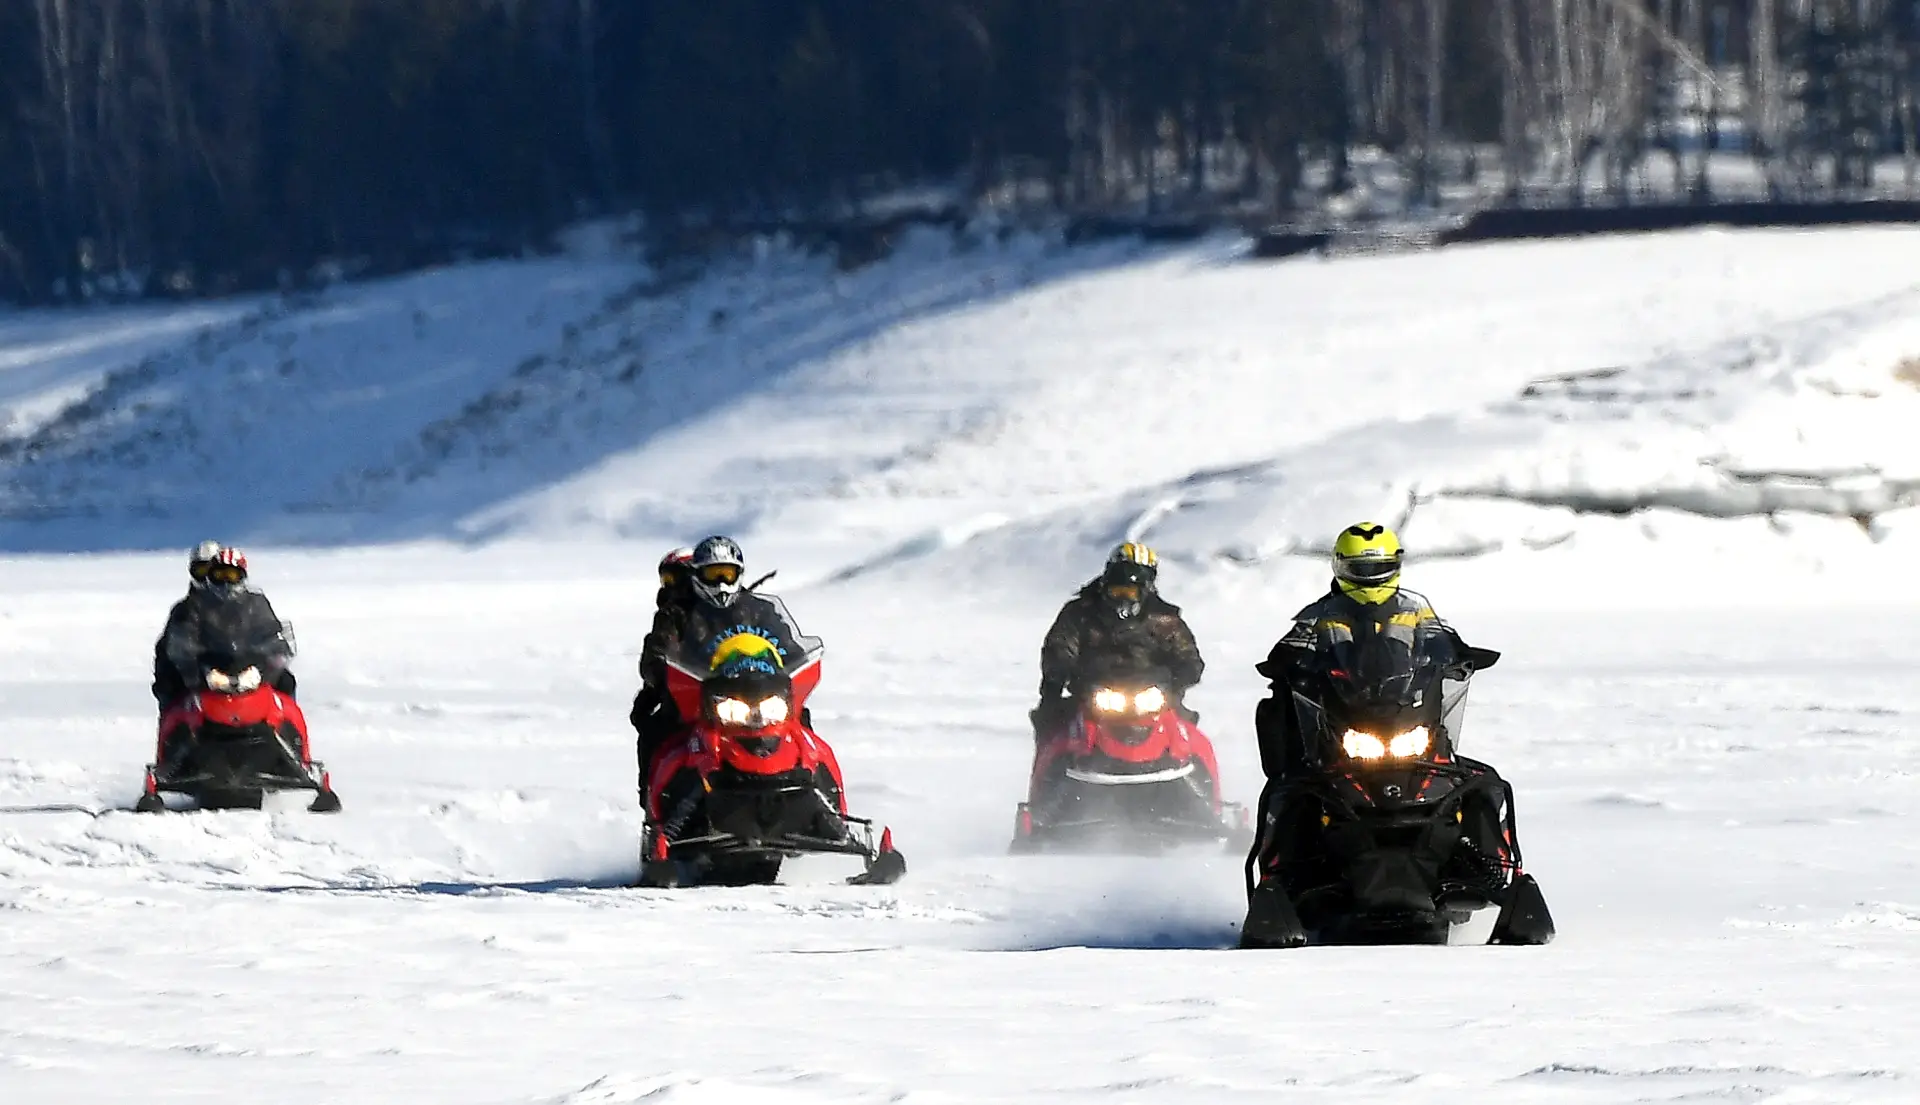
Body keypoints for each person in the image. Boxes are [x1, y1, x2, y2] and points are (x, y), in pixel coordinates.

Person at [1251, 521, 1447, 781]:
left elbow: (1442, 638)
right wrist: (1290, 662)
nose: (1371, 577)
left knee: (1470, 775)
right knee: (1291, 768)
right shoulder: (1322, 614)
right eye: (1360, 569)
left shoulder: (1415, 611)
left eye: (1379, 568)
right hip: (1344, 712)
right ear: (1340, 566)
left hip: (1405, 710)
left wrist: (1459, 657)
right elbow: (1292, 644)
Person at [632, 537, 804, 782]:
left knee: (801, 721)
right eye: (713, 574)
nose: (721, 582)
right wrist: (666, 672)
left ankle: (821, 787)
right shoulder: (677, 614)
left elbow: (791, 649)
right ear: (697, 575)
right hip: (702, 698)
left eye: (727, 573)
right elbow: (656, 656)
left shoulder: (760, 610)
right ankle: (656, 794)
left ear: (739, 574)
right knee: (656, 729)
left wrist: (796, 667)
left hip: (761, 691)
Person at [1031, 542, 1205, 740]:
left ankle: (1197, 760)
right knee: (1052, 724)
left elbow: (1189, 657)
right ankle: (1051, 759)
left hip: (1152, 697)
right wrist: (1056, 679)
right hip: (1092, 695)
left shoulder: (1165, 619)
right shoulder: (1081, 612)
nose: (1122, 599)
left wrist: (1176, 682)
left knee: (1188, 734)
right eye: (1117, 591)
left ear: (1145, 588)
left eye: (1129, 593)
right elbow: (1060, 648)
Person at [630, 547, 695, 788]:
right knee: (650, 726)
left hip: (742, 684)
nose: (670, 586)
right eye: (666, 580)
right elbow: (655, 652)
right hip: (690, 690)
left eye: (675, 578)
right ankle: (654, 794)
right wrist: (660, 675)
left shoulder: (737, 608)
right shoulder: (671, 614)